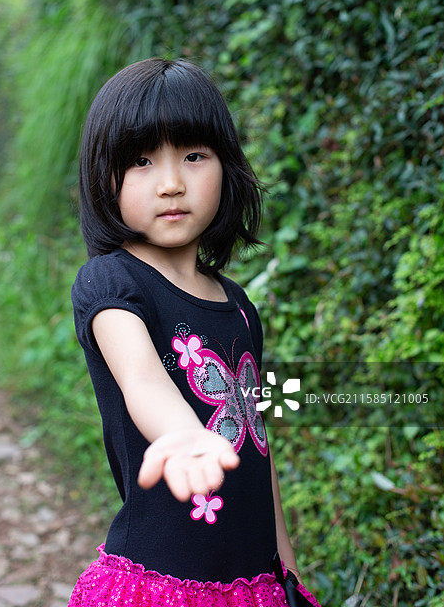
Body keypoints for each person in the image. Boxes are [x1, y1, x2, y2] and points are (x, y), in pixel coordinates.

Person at [68, 58, 321, 606]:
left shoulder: (240, 306)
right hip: (161, 584)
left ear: (226, 166)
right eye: (141, 160)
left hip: (254, 587)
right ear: (102, 175)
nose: (171, 183)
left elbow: (257, 442)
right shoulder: (112, 282)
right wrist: (183, 434)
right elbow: (143, 380)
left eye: (193, 155)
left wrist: (289, 577)